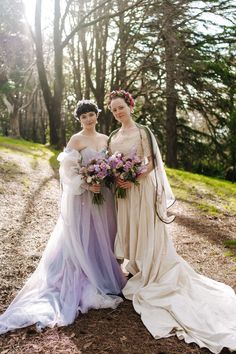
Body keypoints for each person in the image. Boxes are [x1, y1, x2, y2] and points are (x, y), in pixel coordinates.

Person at [107, 89, 236, 354]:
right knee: (129, 227)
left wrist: (134, 178)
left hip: (141, 189)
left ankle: (151, 265)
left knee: (145, 227)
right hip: (123, 193)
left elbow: (153, 161)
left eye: (121, 107)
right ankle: (136, 264)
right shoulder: (112, 136)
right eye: (113, 110)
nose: (118, 112)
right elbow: (111, 164)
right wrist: (116, 177)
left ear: (130, 106)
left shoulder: (143, 132)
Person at [0, 99, 126, 335]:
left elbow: (110, 166)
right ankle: (85, 273)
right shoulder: (76, 140)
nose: (88, 119)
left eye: (91, 114)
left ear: (97, 116)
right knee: (82, 234)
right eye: (83, 117)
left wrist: (105, 179)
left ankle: (102, 268)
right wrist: (87, 185)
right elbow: (67, 172)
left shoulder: (105, 139)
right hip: (83, 197)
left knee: (104, 234)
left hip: (103, 196)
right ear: (79, 120)